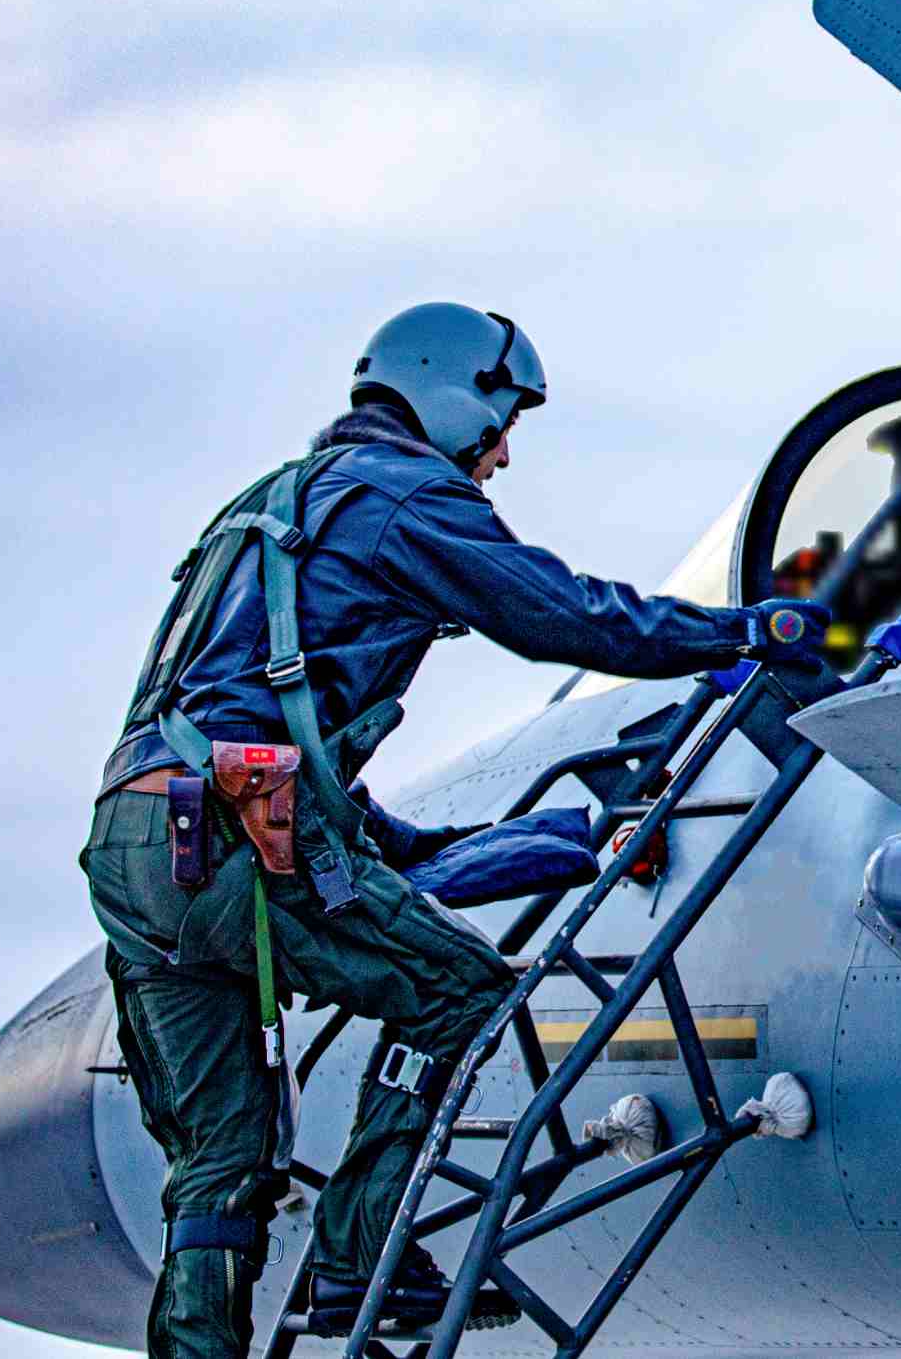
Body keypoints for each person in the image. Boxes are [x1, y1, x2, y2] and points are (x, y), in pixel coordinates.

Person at [79, 302, 824, 1359]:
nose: (503, 451)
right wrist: (750, 629)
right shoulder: (403, 496)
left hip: (138, 842)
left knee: (216, 1166)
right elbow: (564, 616)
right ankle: (357, 1257)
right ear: (449, 388)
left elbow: (238, 707)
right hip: (239, 833)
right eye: (501, 417)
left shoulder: (266, 508)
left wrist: (399, 839)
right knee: (466, 996)